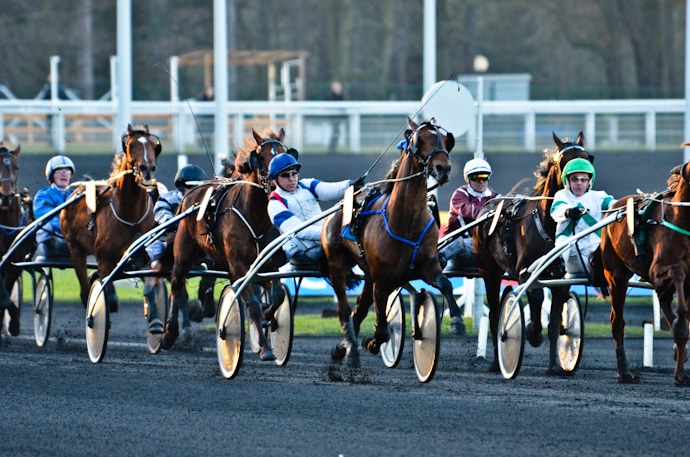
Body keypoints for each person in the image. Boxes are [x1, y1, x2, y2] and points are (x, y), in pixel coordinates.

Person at [267, 154, 363, 269]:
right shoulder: (275, 204)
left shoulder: (307, 185)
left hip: (326, 241)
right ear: (274, 180)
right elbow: (299, 231)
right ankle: (282, 253)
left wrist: (350, 185)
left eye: (294, 174)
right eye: (285, 175)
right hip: (305, 252)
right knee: (290, 239)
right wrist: (331, 233)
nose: (292, 179)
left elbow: (329, 189)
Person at [143, 164, 208, 334]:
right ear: (181, 187)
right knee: (155, 268)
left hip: (192, 247)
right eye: (191, 188)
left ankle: (202, 304)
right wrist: (178, 228)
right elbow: (162, 216)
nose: (195, 192)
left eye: (198, 188)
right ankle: (153, 313)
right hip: (164, 240)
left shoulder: (206, 202)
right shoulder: (168, 199)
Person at [550, 158, 615, 278]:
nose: (579, 183)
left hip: (596, 253)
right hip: (571, 257)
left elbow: (614, 205)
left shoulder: (599, 196)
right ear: (567, 181)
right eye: (574, 179)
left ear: (589, 181)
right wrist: (568, 212)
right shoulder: (561, 195)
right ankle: (555, 269)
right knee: (561, 245)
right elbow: (556, 210)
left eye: (583, 179)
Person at [439, 157, 499, 271]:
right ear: (468, 179)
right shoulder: (459, 195)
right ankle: (436, 262)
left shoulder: (496, 197)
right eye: (476, 177)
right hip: (461, 251)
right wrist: (495, 211)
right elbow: (472, 212)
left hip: (486, 250)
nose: (481, 181)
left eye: (484, 177)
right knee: (458, 241)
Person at [33, 155, 76, 260]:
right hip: (52, 241)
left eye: (67, 170)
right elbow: (47, 219)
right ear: (52, 176)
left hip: (72, 239)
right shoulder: (43, 195)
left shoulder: (75, 195)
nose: (64, 173)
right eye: (59, 171)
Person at [325, 81, 344, 153]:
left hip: (337, 118)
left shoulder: (340, 95)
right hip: (333, 118)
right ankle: (331, 149)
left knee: (337, 132)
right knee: (335, 132)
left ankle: (333, 148)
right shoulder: (330, 96)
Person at [197, 86, 214, 153]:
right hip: (204, 121)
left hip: (211, 121)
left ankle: (209, 149)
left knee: (208, 137)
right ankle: (201, 149)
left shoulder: (214, 99)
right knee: (204, 136)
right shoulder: (203, 99)